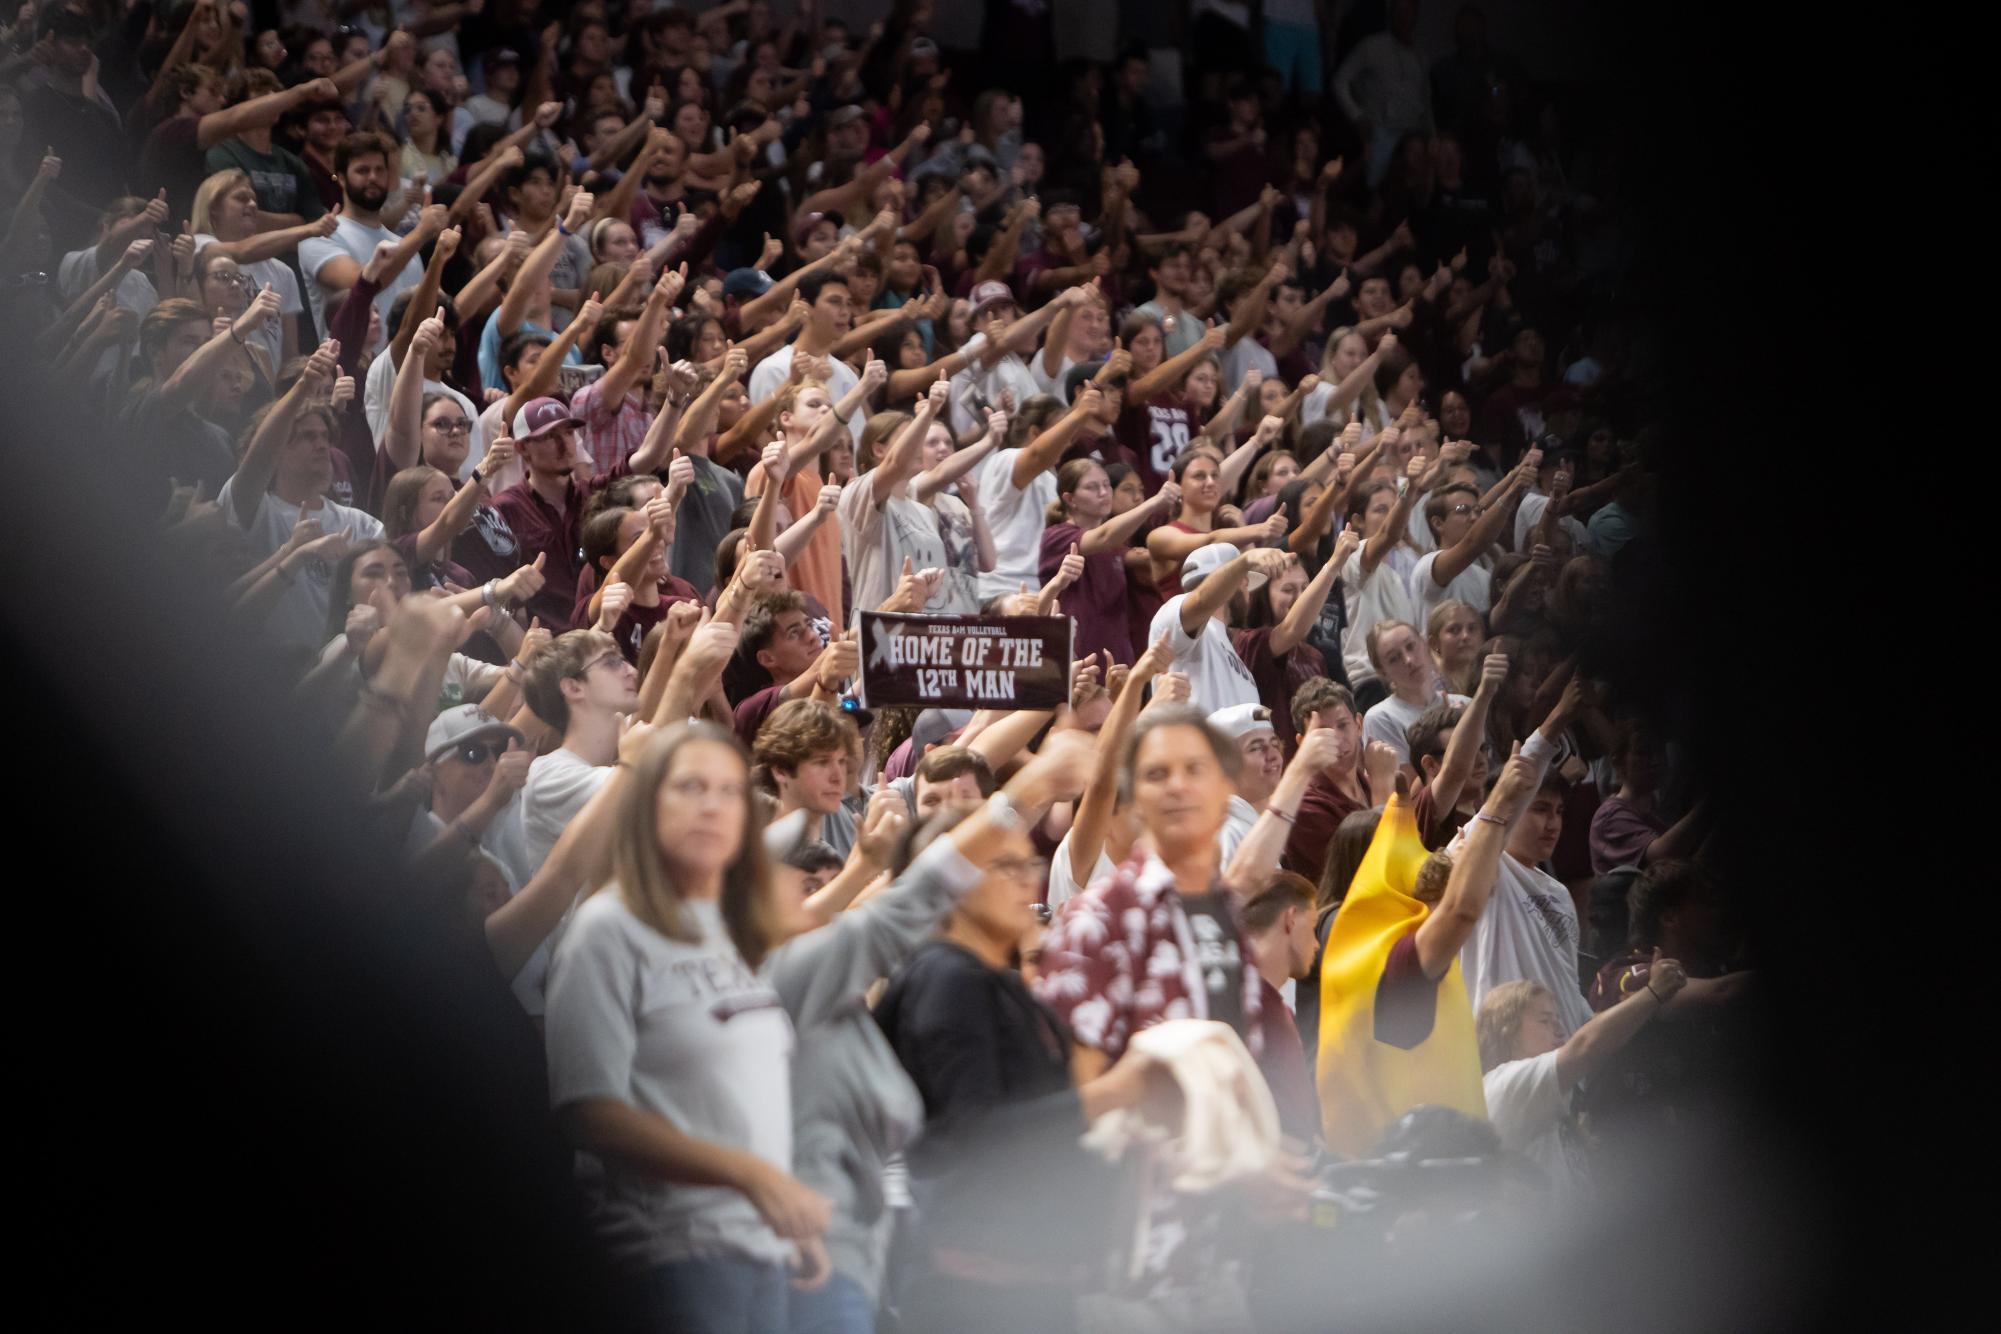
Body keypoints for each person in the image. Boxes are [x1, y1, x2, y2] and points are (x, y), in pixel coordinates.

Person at [1477, 953, 1688, 1206]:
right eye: (1545, 1020)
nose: (1559, 1029)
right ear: (1506, 1030)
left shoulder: (1547, 1092)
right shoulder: (1505, 1083)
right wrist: (1653, 994)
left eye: (1558, 1018)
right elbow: (1585, 1046)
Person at [298, 131, 425, 335]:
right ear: (341, 178)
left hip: (404, 364)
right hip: (348, 365)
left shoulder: (404, 246)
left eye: (379, 170)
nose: (373, 177)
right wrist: (420, 235)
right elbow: (359, 286)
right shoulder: (322, 236)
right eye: (363, 170)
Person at [1149, 544, 1289, 715]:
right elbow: (1202, 599)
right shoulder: (1173, 611)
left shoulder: (1231, 650)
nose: (1248, 589)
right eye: (1244, 579)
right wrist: (1245, 560)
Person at [1241, 871, 1323, 1142]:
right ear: (1290, 919)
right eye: (1312, 927)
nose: (1316, 943)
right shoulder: (1250, 1008)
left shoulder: (1268, 1006)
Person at [752, 699, 862, 861]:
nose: (838, 777)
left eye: (842, 761)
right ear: (780, 770)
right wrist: (863, 866)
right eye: (822, 762)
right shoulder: (759, 852)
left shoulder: (827, 852)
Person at [1361, 618, 1471, 769]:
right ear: (1382, 673)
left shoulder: (1465, 704)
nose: (1408, 660)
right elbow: (1406, 788)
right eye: (1394, 658)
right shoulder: (1382, 718)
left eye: (1411, 646)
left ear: (1425, 645)